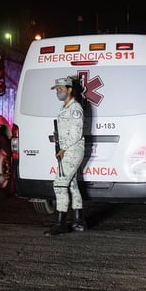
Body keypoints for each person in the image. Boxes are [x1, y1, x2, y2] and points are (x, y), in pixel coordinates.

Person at [44, 76, 87, 236]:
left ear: (69, 89)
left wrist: (63, 147)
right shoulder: (65, 107)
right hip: (69, 149)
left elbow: (76, 133)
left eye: (61, 89)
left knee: (60, 184)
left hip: (72, 150)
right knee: (72, 185)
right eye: (56, 89)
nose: (58, 92)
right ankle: (78, 221)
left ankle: (61, 223)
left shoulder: (74, 108)